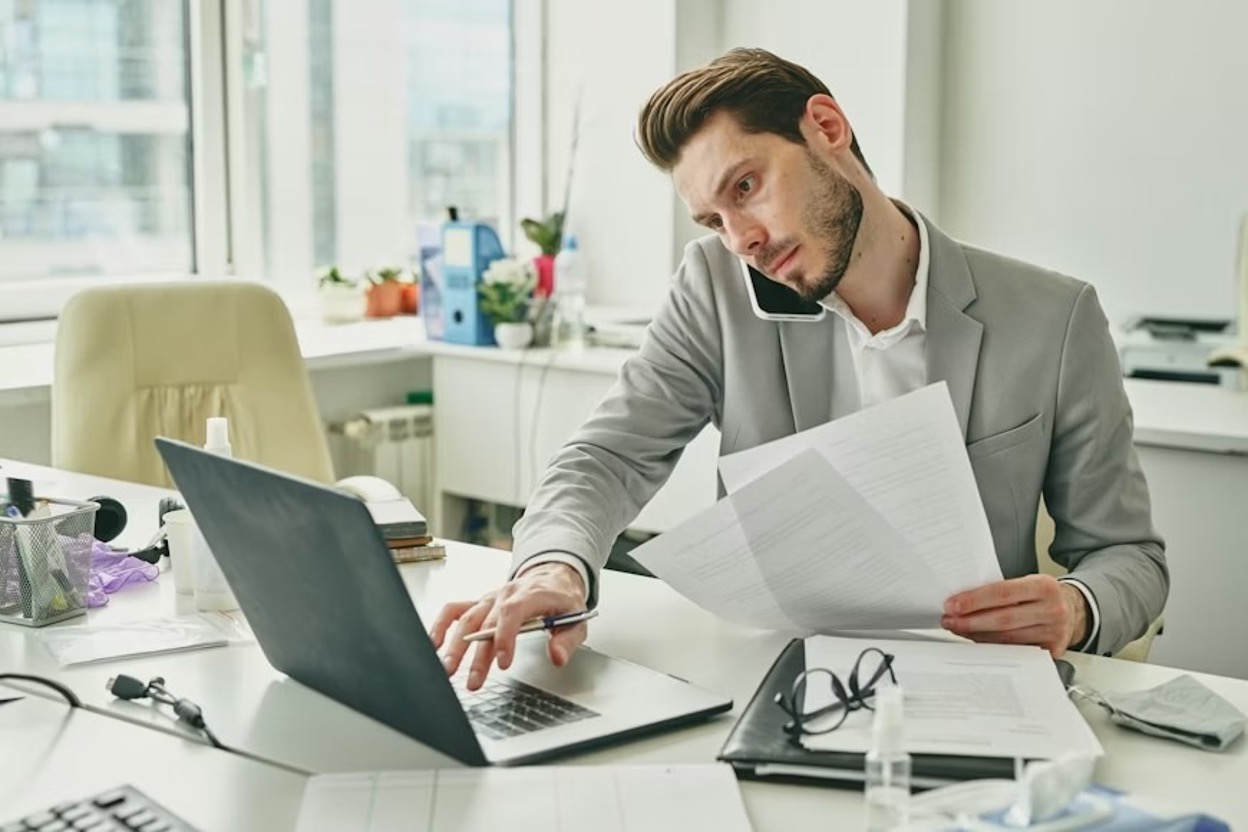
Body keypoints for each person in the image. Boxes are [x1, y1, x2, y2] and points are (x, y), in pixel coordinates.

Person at [432, 48, 1168, 691]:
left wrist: (1076, 605)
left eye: (746, 187)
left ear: (827, 127)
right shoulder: (715, 290)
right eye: (715, 219)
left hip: (975, 683)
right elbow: (606, 456)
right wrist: (553, 569)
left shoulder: (1054, 317)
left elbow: (1126, 555)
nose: (741, 239)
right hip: (774, 677)